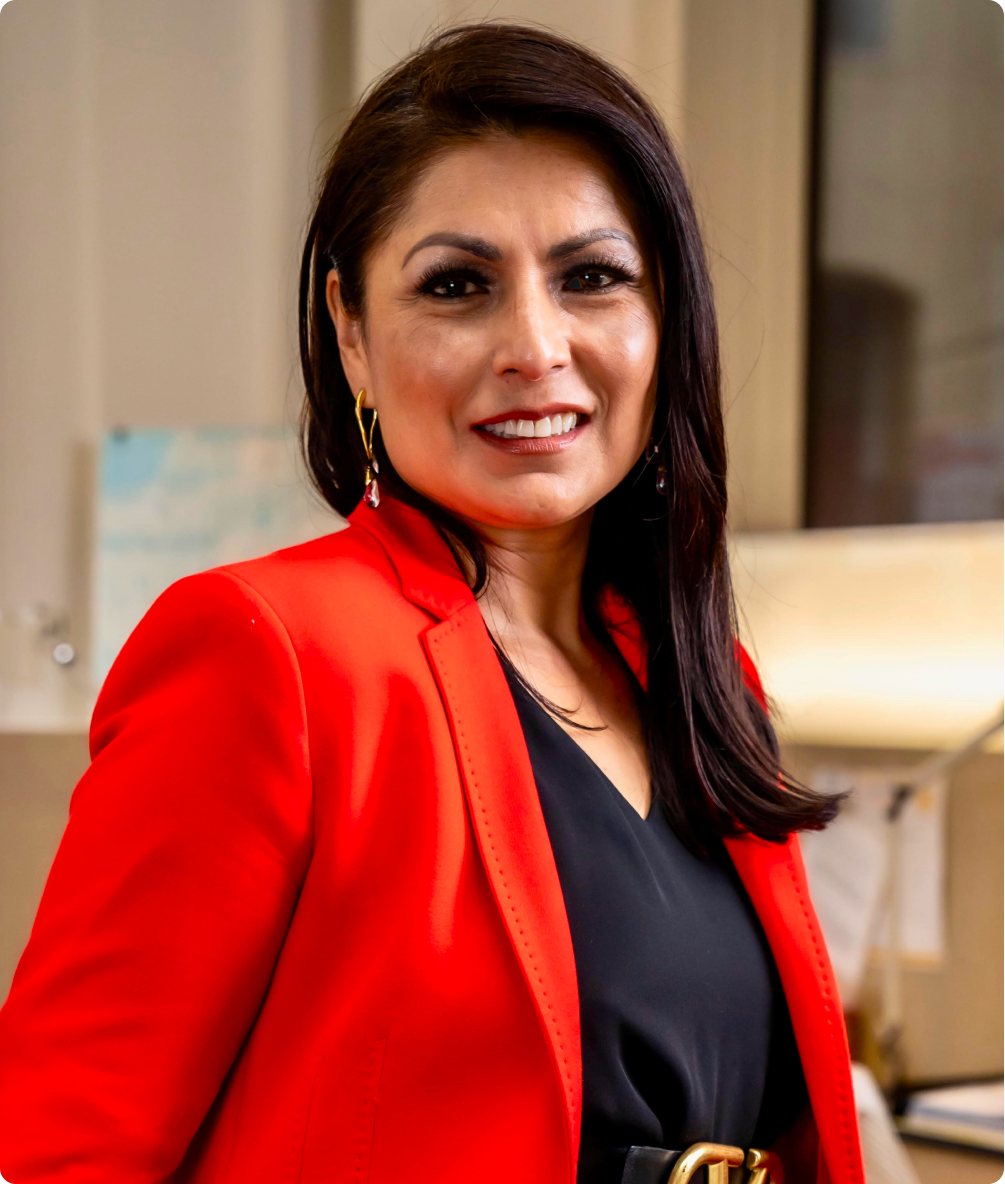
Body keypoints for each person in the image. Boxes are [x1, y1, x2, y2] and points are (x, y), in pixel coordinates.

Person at [0, 24, 863, 1184]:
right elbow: (58, 1149)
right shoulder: (267, 654)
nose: (535, 346)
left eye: (592, 277)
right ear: (351, 333)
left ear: (666, 323)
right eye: (457, 286)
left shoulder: (711, 688)